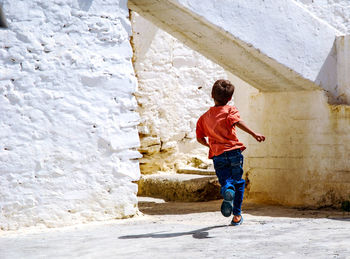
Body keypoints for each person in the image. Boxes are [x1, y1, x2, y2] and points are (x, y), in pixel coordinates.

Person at [196, 79, 265, 226]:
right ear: (229, 98)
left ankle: (227, 189)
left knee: (226, 181)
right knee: (238, 182)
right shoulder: (230, 110)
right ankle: (237, 216)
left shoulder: (203, 118)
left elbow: (200, 138)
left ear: (212, 95)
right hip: (234, 151)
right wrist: (254, 134)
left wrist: (209, 145)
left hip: (217, 155)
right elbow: (238, 122)